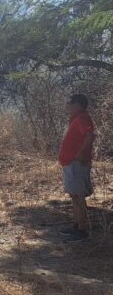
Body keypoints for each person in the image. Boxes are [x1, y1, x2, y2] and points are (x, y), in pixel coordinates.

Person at [58, 94, 96, 242]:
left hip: (76, 164)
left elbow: (90, 136)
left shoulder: (82, 118)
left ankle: (82, 230)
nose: (67, 105)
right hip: (71, 163)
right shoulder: (77, 118)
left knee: (78, 196)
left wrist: (79, 155)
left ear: (78, 105)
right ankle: (77, 225)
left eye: (70, 103)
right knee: (74, 195)